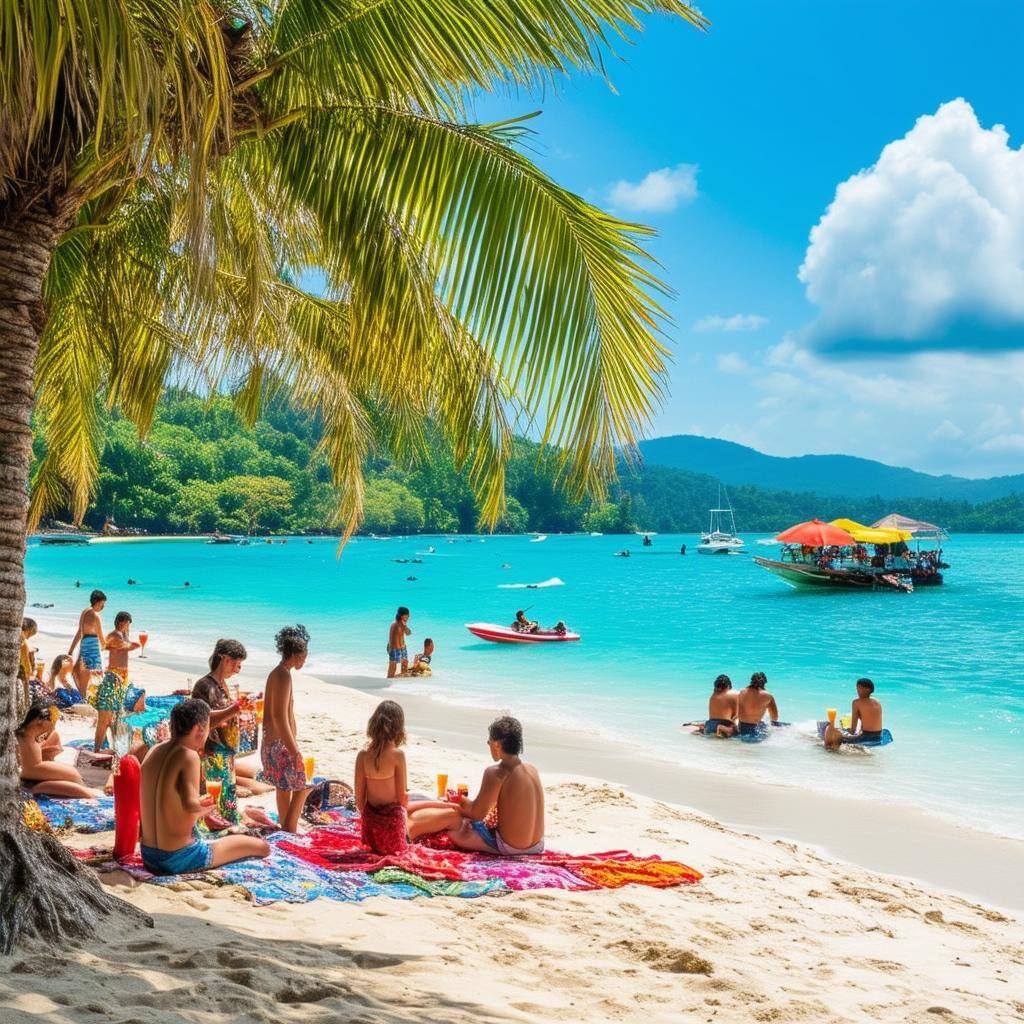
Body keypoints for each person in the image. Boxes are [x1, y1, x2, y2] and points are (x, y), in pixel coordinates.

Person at [140, 699, 270, 875]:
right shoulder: (188, 756)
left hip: (148, 855)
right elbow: (190, 806)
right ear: (199, 729)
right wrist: (208, 807)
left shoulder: (154, 750)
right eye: (208, 727)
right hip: (179, 858)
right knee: (262, 847)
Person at [446, 716, 545, 855]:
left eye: (489, 740)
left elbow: (477, 814)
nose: (488, 743)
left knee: (455, 831)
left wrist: (458, 799)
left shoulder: (496, 772)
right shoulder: (532, 769)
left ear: (497, 744)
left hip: (512, 847)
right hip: (538, 845)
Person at [261, 625, 314, 832]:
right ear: (295, 653)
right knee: (299, 786)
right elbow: (279, 717)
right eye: (305, 654)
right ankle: (289, 827)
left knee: (283, 789)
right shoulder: (283, 676)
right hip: (280, 744)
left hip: (274, 743)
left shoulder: (277, 673)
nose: (306, 658)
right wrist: (294, 751)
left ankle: (286, 824)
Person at [190, 638, 249, 824]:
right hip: (211, 752)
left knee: (227, 805)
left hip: (226, 752)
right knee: (213, 799)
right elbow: (204, 719)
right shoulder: (204, 685)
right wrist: (234, 710)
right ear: (225, 660)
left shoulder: (223, 685)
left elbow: (225, 718)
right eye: (236, 665)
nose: (237, 670)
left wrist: (241, 719)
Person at [354, 700, 410, 853]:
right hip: (392, 829)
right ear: (399, 728)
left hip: (371, 831)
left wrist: (372, 820)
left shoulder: (363, 756)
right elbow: (402, 798)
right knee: (416, 805)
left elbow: (359, 800)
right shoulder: (398, 755)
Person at [16, 700, 94, 799]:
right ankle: (32, 791)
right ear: (40, 721)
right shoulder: (26, 735)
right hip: (30, 778)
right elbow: (30, 769)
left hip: (31, 774)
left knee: (78, 782)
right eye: (53, 723)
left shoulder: (29, 733)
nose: (53, 728)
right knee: (83, 790)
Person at [90, 611, 142, 752]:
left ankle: (110, 748)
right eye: (128, 623)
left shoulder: (122, 636)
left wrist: (121, 645)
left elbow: (116, 646)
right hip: (113, 677)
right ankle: (96, 749)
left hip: (121, 679)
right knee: (105, 717)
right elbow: (120, 646)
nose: (128, 626)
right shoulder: (115, 635)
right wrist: (132, 645)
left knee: (114, 717)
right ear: (122, 622)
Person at [824, 678, 884, 750]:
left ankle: (832, 752)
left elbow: (853, 730)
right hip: (878, 736)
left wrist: (843, 732)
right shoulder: (877, 701)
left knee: (832, 734)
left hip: (867, 737)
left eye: (858, 688)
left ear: (866, 689)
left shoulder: (856, 702)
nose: (857, 690)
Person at [69, 589, 106, 698]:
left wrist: (71, 650)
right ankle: (86, 697)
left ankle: (83, 695)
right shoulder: (96, 616)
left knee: (80, 670)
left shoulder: (85, 612)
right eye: (103, 604)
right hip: (92, 645)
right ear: (98, 602)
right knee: (94, 672)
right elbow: (101, 636)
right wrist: (106, 646)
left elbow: (79, 632)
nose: (103, 607)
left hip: (84, 642)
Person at [49, 653, 96, 718]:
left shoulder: (69, 680)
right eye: (70, 662)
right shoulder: (56, 682)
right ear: (64, 663)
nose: (73, 664)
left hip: (77, 707)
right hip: (71, 708)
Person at [737, 671, 780, 738]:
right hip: (756, 729)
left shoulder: (741, 692)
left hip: (742, 728)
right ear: (764, 683)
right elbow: (774, 717)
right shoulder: (768, 696)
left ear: (751, 681)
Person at [16, 617, 37, 721]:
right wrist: (33, 673)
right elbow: (27, 667)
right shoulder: (23, 643)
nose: (28, 638)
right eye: (30, 635)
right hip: (20, 676)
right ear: (27, 631)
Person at [387, 607, 412, 678]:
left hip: (402, 648)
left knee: (404, 665)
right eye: (407, 615)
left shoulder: (401, 624)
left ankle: (401, 684)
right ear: (402, 616)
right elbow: (408, 632)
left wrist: (404, 625)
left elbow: (408, 633)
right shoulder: (396, 624)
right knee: (392, 668)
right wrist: (390, 649)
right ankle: (390, 681)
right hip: (395, 649)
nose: (409, 617)